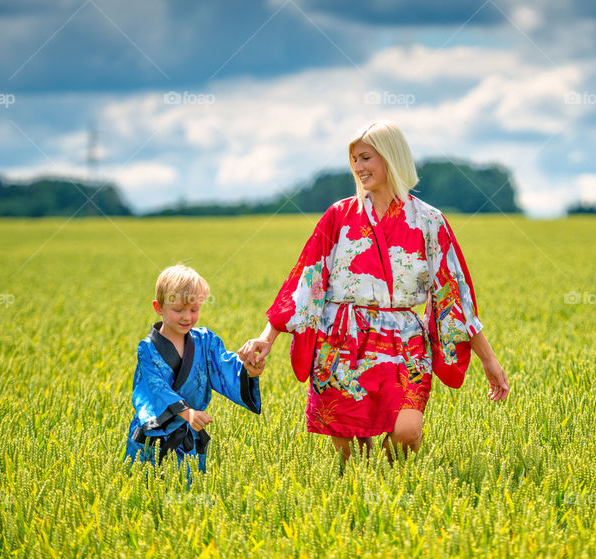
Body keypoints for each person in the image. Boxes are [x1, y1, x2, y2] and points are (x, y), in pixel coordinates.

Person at [238, 120, 509, 466]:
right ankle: (372, 500)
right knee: (352, 457)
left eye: (366, 157)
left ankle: (392, 481)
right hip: (342, 342)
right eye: (354, 160)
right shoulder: (339, 216)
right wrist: (268, 338)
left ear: (390, 157)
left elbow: (452, 294)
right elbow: (308, 280)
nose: (359, 167)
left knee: (408, 431)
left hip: (405, 342)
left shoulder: (429, 221)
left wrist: (488, 359)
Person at [124, 264, 263, 481]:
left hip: (188, 439)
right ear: (158, 307)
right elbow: (155, 389)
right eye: (178, 310)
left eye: (194, 309)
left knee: (188, 498)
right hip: (152, 440)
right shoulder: (148, 349)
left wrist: (249, 371)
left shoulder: (205, 341)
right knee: (147, 495)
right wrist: (187, 413)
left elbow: (224, 366)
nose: (187, 317)